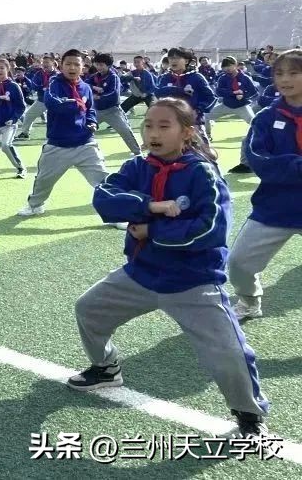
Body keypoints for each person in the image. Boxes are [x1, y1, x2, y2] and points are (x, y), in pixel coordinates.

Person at [70, 97, 270, 440]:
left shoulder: (202, 173)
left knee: (228, 352)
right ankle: (106, 368)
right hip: (141, 273)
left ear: (187, 133)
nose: (153, 133)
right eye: (148, 125)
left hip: (193, 283)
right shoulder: (137, 166)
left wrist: (152, 230)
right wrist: (150, 205)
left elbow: (210, 230)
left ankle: (249, 416)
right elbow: (103, 197)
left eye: (164, 126)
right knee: (88, 309)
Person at [228, 50, 302, 320]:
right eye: (280, 73)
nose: (285, 79)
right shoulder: (265, 118)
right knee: (238, 263)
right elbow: (259, 160)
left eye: (294, 72)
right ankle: (249, 300)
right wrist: (297, 166)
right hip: (275, 208)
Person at [17, 49, 121, 228]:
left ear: (83, 67)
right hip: (58, 145)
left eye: (77, 64)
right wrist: (75, 104)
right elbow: (53, 103)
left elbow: (90, 110)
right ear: (61, 65)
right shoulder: (54, 83)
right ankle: (35, 205)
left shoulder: (86, 87)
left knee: (102, 179)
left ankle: (116, 215)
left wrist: (92, 122)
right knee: (43, 180)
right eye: (68, 64)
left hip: (85, 144)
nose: (72, 67)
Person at [207, 56, 259, 173]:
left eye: (229, 66)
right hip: (226, 105)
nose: (227, 69)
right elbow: (218, 91)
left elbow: (254, 92)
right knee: (206, 115)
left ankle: (258, 144)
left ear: (235, 65)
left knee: (255, 123)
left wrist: (244, 95)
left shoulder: (245, 78)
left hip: (242, 106)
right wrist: (233, 93)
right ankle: (208, 133)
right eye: (225, 67)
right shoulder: (222, 78)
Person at [88, 53, 142, 156]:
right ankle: (78, 152)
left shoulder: (113, 77)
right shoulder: (94, 77)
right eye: (97, 64)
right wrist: (94, 88)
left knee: (125, 131)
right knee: (84, 130)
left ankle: (138, 153)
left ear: (108, 65)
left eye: (101, 65)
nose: (99, 67)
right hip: (96, 111)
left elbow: (114, 94)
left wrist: (99, 96)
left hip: (113, 111)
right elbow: (83, 85)